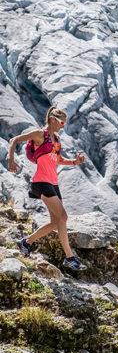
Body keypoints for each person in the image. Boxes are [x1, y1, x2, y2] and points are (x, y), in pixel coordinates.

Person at [8, 106, 87, 271]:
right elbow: (14, 140)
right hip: (41, 182)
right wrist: (11, 160)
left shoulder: (56, 140)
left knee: (56, 222)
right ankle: (69, 257)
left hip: (53, 183)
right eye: (61, 122)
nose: (63, 125)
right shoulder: (39, 134)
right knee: (63, 216)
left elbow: (58, 159)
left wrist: (75, 162)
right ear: (52, 119)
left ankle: (26, 242)